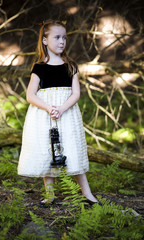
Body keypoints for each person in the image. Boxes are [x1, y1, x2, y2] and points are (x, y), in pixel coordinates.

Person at [18, 19, 101, 207]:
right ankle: (49, 195)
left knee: (72, 149)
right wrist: (49, 108)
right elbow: (30, 95)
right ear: (45, 41)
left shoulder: (70, 65)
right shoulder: (39, 67)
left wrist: (62, 108)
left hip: (67, 114)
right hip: (44, 115)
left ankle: (87, 194)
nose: (62, 41)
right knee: (49, 150)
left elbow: (76, 93)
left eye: (64, 37)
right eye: (57, 37)